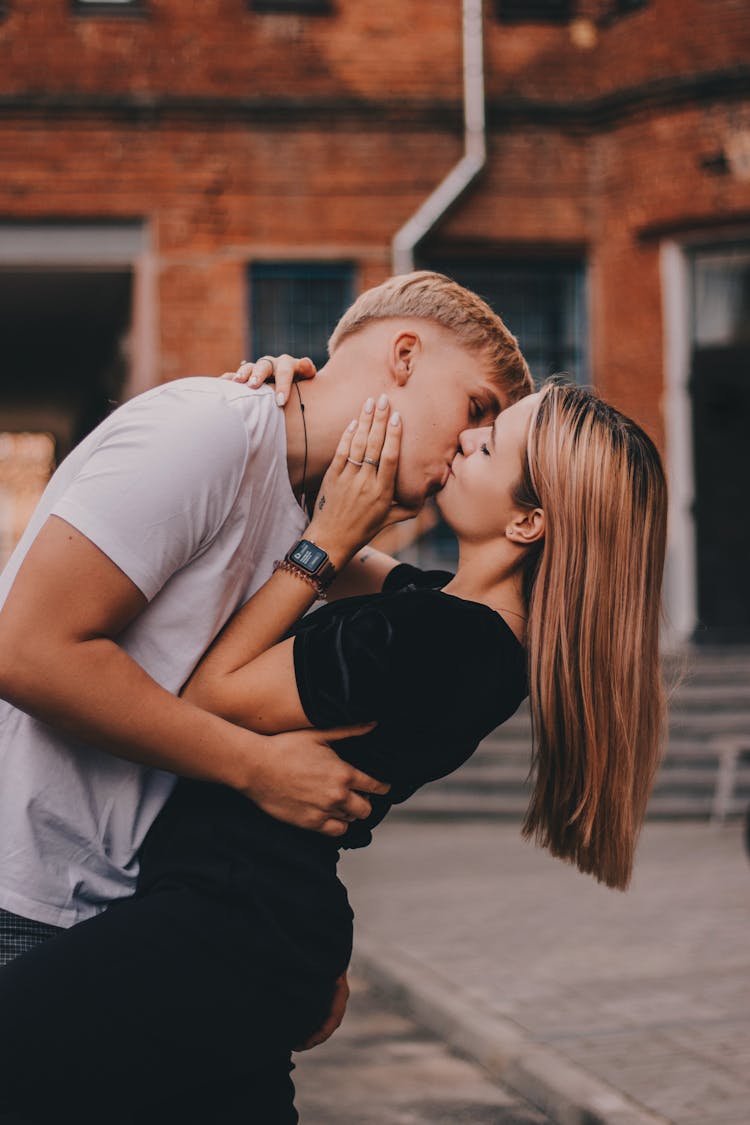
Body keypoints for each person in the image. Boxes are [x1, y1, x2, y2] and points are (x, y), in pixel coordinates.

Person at [0, 379, 668, 1124]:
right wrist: (287, 410)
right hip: (251, 924)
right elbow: (283, 518)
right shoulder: (459, 625)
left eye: (489, 444)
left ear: (528, 521)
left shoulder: (435, 642)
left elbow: (211, 696)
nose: (464, 443)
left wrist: (323, 542)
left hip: (227, 925)